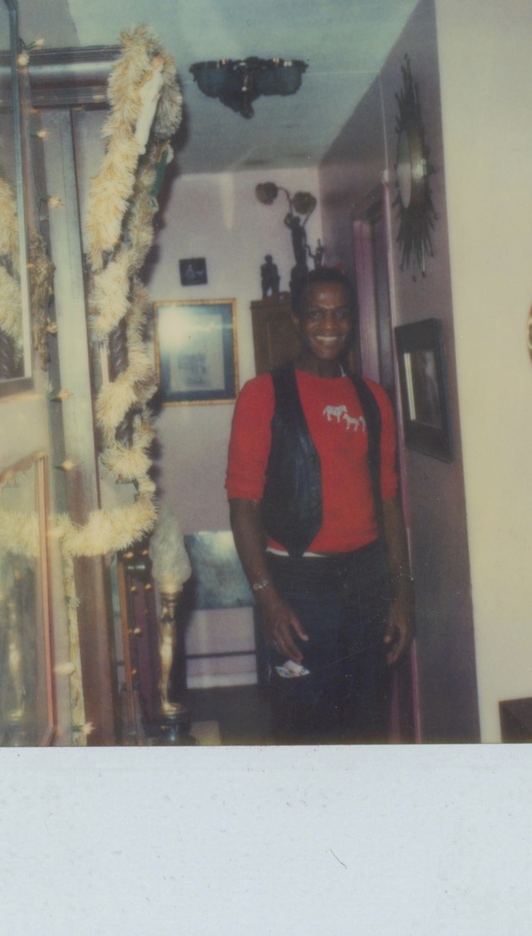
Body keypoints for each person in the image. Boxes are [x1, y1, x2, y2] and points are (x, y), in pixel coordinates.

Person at [226, 267, 415, 743]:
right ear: (296, 319)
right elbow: (243, 505)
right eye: (316, 314)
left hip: (368, 584)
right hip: (299, 586)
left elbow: (389, 500)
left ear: (352, 320)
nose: (329, 326)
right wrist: (268, 598)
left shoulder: (373, 399)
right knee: (303, 729)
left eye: (340, 314)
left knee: (367, 724)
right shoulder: (262, 395)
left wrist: (402, 592)